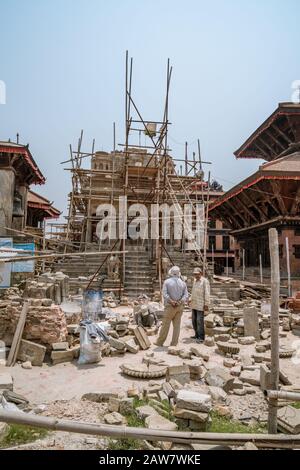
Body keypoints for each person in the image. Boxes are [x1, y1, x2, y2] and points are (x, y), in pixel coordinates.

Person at [154, 266, 188, 347]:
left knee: (165, 325)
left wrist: (171, 301)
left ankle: (160, 342)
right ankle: (174, 343)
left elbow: (164, 294)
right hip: (180, 306)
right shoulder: (183, 283)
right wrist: (180, 301)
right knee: (177, 326)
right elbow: (186, 295)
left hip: (170, 306)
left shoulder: (167, 282)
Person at [190, 267, 210, 343]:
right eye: (195, 274)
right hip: (194, 304)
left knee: (199, 321)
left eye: (197, 274)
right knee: (194, 320)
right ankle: (196, 334)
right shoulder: (195, 281)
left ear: (201, 273)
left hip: (201, 304)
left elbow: (207, 293)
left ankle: (201, 337)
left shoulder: (205, 281)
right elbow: (193, 291)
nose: (196, 276)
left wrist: (206, 304)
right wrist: (190, 299)